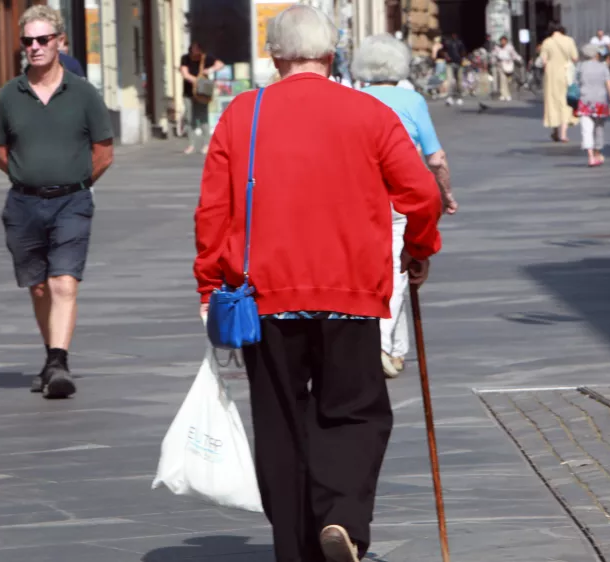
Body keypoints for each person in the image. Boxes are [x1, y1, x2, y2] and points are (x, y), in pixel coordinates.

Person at [195, 7, 442, 562]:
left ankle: (295, 549)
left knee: (282, 422)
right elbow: (421, 194)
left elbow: (213, 210)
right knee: (354, 410)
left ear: (275, 57)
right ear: (331, 56)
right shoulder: (369, 113)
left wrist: (210, 283)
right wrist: (419, 248)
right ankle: (344, 519)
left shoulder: (243, 114)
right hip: (350, 291)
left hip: (268, 295)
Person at [0, 6, 114, 399]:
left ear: (59, 41)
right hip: (23, 204)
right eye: (28, 41)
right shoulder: (9, 95)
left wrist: (75, 182)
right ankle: (51, 355)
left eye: (43, 39)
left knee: (63, 281)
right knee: (40, 288)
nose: (35, 47)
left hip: (71, 202)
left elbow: (104, 151)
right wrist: (28, 176)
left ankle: (59, 361)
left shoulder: (83, 92)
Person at [351, 34, 457, 379]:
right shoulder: (411, 100)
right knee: (398, 268)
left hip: (360, 198)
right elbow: (436, 158)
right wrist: (446, 193)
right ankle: (379, 344)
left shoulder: (353, 99)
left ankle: (397, 351)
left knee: (380, 268)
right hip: (401, 196)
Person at [179, 41, 224, 155]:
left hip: (202, 93)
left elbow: (220, 64)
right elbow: (185, 73)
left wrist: (210, 70)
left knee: (203, 118)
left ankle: (206, 145)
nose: (195, 54)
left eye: (198, 51)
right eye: (193, 52)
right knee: (189, 118)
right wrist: (198, 81)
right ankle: (191, 145)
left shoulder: (206, 58)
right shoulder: (185, 58)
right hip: (189, 93)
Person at [576, 43, 610, 167]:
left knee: (586, 129)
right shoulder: (603, 67)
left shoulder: (580, 67)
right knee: (599, 127)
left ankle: (590, 156)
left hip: (585, 100)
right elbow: (609, 85)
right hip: (600, 101)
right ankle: (597, 151)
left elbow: (575, 84)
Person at [541, 22, 579, 142]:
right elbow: (575, 58)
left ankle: (555, 132)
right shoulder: (569, 40)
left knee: (553, 101)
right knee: (565, 101)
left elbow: (544, 60)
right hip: (566, 73)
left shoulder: (547, 42)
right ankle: (563, 133)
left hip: (551, 74)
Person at [492, 35, 522, 101]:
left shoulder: (510, 48)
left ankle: (508, 94)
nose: (502, 42)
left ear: (506, 41)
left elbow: (514, 54)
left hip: (509, 65)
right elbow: (494, 56)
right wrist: (493, 61)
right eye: (501, 41)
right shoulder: (497, 48)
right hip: (500, 65)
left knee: (509, 81)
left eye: (504, 40)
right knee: (502, 80)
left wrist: (519, 59)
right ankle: (504, 94)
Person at [445, 33, 467, 105]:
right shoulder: (448, 43)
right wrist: (447, 57)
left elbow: (463, 51)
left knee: (459, 80)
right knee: (450, 80)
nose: (454, 36)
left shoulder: (460, 43)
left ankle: (459, 96)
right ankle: (450, 96)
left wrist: (462, 58)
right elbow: (443, 51)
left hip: (458, 63)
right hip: (450, 63)